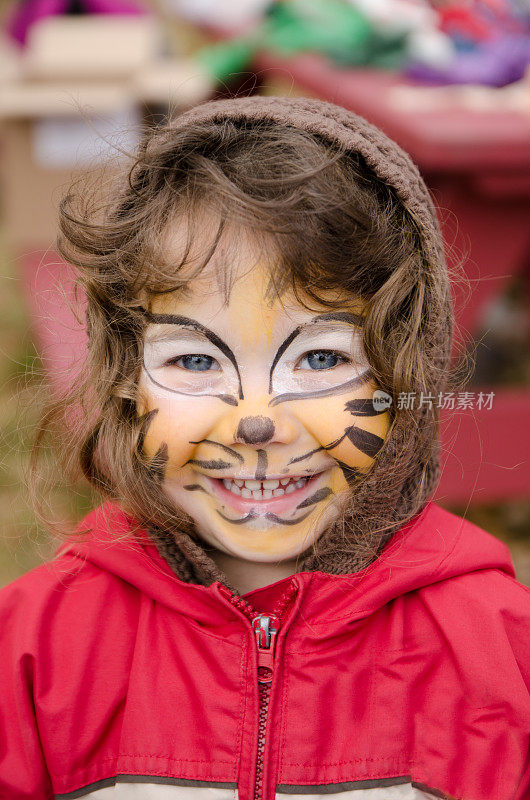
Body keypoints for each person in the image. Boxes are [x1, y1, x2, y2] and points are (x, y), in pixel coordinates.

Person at [0, 95, 528, 800]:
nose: (256, 422)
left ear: (408, 370)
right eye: (194, 361)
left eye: (319, 360)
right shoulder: (35, 650)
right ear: (126, 379)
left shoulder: (501, 656)